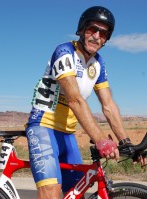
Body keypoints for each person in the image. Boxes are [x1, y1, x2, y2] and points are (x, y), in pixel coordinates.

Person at [25, 6, 133, 199]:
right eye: (93, 29)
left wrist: (126, 142)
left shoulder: (98, 63)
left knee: (77, 193)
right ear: (82, 29)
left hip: (67, 133)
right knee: (52, 191)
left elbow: (108, 105)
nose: (97, 36)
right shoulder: (65, 52)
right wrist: (101, 140)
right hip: (43, 126)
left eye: (103, 33)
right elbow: (75, 100)